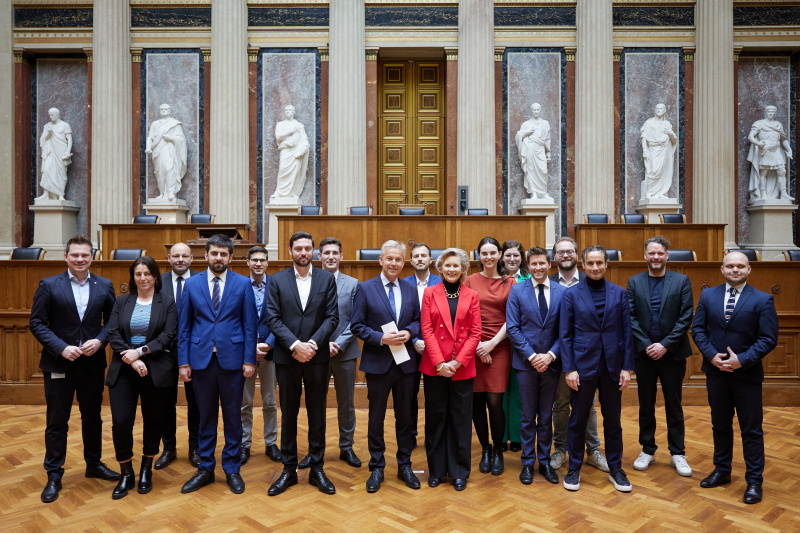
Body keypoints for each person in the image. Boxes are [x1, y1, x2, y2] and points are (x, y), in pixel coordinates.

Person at [29, 235, 119, 503]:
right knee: (57, 421)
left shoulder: (104, 285)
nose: (80, 259)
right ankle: (54, 474)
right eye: (75, 255)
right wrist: (60, 347)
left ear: (92, 257)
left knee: (93, 417)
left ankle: (94, 464)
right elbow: (37, 323)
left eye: (85, 255)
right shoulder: (48, 285)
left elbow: (113, 321)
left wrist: (100, 341)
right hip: (59, 363)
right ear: (66, 257)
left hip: (91, 364)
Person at [692, 251, 778, 504]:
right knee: (720, 425)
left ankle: (754, 481)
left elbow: (768, 339)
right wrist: (711, 356)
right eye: (730, 266)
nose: (735, 270)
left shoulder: (763, 300)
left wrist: (740, 360)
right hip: (716, 373)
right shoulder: (708, 295)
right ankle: (722, 470)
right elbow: (698, 329)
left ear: (749, 270)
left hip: (747, 375)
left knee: (750, 430)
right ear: (722, 269)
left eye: (740, 266)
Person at [177, 234, 257, 495]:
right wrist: (183, 362)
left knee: (233, 417)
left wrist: (249, 360)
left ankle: (232, 468)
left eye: (223, 254)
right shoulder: (192, 284)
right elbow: (185, 326)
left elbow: (249, 325)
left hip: (233, 362)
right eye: (214, 253)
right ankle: (206, 467)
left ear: (231, 257)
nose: (218, 258)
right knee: (205, 416)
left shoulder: (243, 284)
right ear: (206, 255)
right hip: (200, 361)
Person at [266, 232, 339, 496]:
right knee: (289, 412)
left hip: (317, 358)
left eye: (308, 248)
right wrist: (296, 345)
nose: (304, 253)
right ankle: (288, 469)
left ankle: (317, 467)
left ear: (315, 253)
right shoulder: (276, 280)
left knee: (317, 412)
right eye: (299, 248)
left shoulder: (326, 279)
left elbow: (332, 318)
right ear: (290, 251)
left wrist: (312, 345)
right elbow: (272, 318)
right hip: (288, 357)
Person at [560, 245, 636, 493]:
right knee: (578, 419)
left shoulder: (619, 293)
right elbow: (566, 335)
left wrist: (627, 367)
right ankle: (574, 468)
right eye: (590, 263)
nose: (595, 267)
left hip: (613, 366)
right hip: (582, 366)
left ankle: (616, 468)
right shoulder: (571, 295)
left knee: (613, 420)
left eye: (599, 263)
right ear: (583, 265)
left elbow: (627, 331)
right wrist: (569, 369)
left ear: (606, 264)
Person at [351, 240, 422, 493]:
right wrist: (381, 338)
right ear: (380, 260)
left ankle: (405, 465)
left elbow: (418, 321)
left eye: (399, 260)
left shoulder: (411, 288)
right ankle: (377, 466)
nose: (394, 263)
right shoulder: (365, 288)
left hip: (406, 363)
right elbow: (357, 326)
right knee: (376, 417)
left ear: (404, 263)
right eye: (389, 258)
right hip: (378, 362)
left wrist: (407, 332)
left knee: (405, 417)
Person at [106, 256, 177, 499]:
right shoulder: (122, 301)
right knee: (121, 421)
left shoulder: (166, 302)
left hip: (155, 368)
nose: (143, 278)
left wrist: (141, 351)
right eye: (138, 274)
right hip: (125, 367)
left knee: (153, 419)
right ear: (133, 277)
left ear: (156, 276)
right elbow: (113, 331)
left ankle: (147, 467)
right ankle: (126, 471)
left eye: (147, 273)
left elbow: (168, 335)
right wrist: (133, 359)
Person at [626, 236, 694, 477]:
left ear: (667, 255)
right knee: (646, 405)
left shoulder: (681, 280)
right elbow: (630, 317)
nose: (656, 257)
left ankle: (678, 452)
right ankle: (648, 449)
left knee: (674, 405)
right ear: (645, 255)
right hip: (644, 356)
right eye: (651, 253)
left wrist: (664, 345)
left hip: (673, 354)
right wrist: (647, 345)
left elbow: (686, 317)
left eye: (660, 253)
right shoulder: (634, 282)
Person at [420, 248, 481, 491]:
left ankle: (459, 472)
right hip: (435, 367)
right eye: (448, 266)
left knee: (461, 420)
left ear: (464, 269)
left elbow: (476, 332)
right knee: (436, 419)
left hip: (461, 368)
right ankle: (436, 470)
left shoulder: (472, 295)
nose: (452, 270)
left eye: (456, 266)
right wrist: (439, 363)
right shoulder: (429, 293)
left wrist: (457, 363)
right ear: (440, 268)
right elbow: (427, 328)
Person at [297, 237, 361, 468]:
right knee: (316, 403)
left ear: (341, 256)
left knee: (346, 403)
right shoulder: (308, 282)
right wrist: (322, 344)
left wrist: (338, 343)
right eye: (326, 253)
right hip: (316, 353)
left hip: (344, 352)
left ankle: (347, 447)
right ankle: (316, 451)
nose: (331, 257)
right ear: (319, 256)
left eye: (335, 252)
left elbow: (357, 320)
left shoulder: (353, 284)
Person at [506, 247, 566, 486]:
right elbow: (513, 328)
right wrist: (532, 356)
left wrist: (550, 355)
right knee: (528, 415)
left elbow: (566, 330)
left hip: (552, 364)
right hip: (525, 363)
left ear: (549, 265)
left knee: (546, 416)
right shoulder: (517, 290)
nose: (538, 268)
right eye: (534, 264)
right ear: (528, 266)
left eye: (542, 263)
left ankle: (545, 462)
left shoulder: (563, 292)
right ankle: (527, 463)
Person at [549, 237, 608, 473]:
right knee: (560, 405)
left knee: (589, 405)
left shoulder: (590, 279)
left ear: (578, 257)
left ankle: (593, 450)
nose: (565, 255)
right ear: (554, 257)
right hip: (557, 355)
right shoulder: (547, 282)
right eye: (560, 252)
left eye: (570, 251)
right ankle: (560, 449)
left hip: (586, 356)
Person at [464, 237, 516, 476]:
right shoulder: (470, 280)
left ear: (500, 255)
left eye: (493, 252)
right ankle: (485, 448)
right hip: (473, 347)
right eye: (484, 253)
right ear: (479, 255)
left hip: (501, 346)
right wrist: (478, 346)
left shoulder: (511, 282)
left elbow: (513, 319)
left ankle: (498, 449)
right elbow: (464, 316)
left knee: (495, 401)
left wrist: (492, 345)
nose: (488, 257)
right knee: (476, 401)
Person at [155, 242, 201, 470]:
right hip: (165, 351)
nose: (180, 259)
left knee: (196, 402)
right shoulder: (158, 282)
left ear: (192, 258)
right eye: (176, 256)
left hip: (194, 350)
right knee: (165, 402)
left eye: (185, 256)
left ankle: (195, 448)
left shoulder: (202, 280)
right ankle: (169, 448)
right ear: (168, 258)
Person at [240, 246, 281, 466]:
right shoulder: (238, 285)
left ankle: (270, 443)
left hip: (270, 351)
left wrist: (269, 343)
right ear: (247, 262)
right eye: (254, 260)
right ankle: (245, 444)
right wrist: (249, 347)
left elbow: (283, 317)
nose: (258, 263)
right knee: (244, 402)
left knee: (269, 401)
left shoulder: (276, 285)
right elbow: (234, 320)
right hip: (244, 353)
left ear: (267, 263)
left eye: (262, 260)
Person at [403, 242, 442, 449]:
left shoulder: (441, 282)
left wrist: (430, 343)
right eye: (416, 256)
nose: (420, 259)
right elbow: (401, 319)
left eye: (423, 255)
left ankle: (432, 436)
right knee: (409, 394)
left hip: (435, 349)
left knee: (433, 395)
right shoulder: (403, 284)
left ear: (430, 260)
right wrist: (415, 340)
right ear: (411, 261)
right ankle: (410, 435)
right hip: (409, 348)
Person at [500, 240, 528, 453]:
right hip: (499, 343)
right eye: (508, 255)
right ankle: (500, 436)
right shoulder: (496, 278)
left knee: (519, 391)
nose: (512, 259)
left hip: (521, 344)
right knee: (500, 391)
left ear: (522, 257)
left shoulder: (529, 278)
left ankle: (517, 436)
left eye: (516, 255)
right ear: (502, 256)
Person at [747, 105, 794, 202]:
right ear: (765, 112)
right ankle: (763, 193)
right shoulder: (759, 123)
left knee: (782, 170)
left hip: (776, 150)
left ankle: (784, 194)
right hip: (765, 149)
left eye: (773, 112)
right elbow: (751, 136)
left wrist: (789, 150)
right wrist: (758, 143)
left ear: (775, 113)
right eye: (769, 111)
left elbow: (783, 139)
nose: (770, 113)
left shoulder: (778, 125)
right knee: (764, 172)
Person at [145, 103, 187, 202]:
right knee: (159, 172)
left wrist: (171, 138)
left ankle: (171, 191)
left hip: (169, 148)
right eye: (162, 109)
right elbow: (150, 137)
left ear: (169, 111)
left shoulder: (174, 124)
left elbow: (181, 139)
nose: (163, 111)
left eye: (165, 109)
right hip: (157, 150)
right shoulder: (155, 124)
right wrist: (148, 147)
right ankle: (162, 193)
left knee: (169, 168)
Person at [640, 103, 678, 199]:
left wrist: (670, 133)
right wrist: (645, 150)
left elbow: (674, 140)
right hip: (653, 149)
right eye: (657, 108)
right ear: (654, 110)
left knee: (663, 171)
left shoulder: (667, 124)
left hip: (664, 150)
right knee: (653, 170)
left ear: (665, 111)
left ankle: (661, 192)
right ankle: (650, 192)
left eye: (661, 108)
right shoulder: (649, 122)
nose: (659, 110)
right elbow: (644, 137)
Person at [272, 104, 310, 199]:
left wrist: (302, 150)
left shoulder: (299, 126)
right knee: (282, 170)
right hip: (286, 150)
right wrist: (290, 132)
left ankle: (293, 192)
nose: (288, 111)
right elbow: (278, 137)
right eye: (286, 110)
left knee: (295, 172)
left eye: (290, 110)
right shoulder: (280, 124)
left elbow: (304, 140)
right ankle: (279, 191)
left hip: (295, 152)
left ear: (294, 112)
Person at [515, 102, 552, 200]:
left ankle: (543, 192)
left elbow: (547, 139)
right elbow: (518, 136)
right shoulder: (526, 124)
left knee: (543, 170)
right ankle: (534, 193)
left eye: (537, 110)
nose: (536, 111)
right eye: (534, 110)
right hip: (530, 149)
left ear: (540, 110)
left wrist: (548, 152)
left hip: (540, 149)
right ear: (531, 111)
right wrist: (526, 133)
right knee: (531, 171)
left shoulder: (545, 123)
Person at [37, 107, 72, 202]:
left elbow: (69, 139)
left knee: (61, 173)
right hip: (50, 152)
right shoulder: (47, 126)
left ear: (58, 115)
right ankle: (46, 193)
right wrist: (48, 133)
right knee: (47, 170)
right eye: (49, 115)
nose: (50, 116)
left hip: (61, 151)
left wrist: (68, 152)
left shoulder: (65, 125)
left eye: (52, 115)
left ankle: (60, 194)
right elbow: (42, 140)